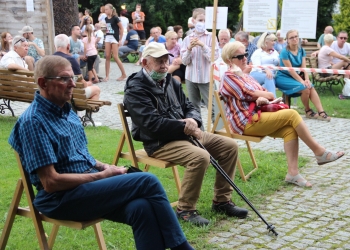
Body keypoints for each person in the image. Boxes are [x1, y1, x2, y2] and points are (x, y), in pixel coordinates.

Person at [8, 55, 194, 250]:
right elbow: (51, 183)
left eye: (74, 78)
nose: (73, 84)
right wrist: (101, 176)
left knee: (141, 209)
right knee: (147, 181)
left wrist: (104, 166)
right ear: (42, 83)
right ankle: (182, 248)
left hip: (84, 189)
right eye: (64, 79)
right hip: (60, 199)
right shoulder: (33, 121)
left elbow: (78, 155)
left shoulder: (66, 110)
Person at [124, 42, 248, 227]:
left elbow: (189, 106)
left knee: (229, 146)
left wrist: (194, 121)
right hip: (160, 142)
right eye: (159, 61)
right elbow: (151, 125)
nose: (165, 65)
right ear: (144, 63)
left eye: (166, 60)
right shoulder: (135, 89)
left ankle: (222, 201)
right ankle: (185, 210)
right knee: (200, 157)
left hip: (187, 134)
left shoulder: (170, 81)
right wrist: (184, 125)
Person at [220, 41, 345, 188]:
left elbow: (264, 92)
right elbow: (251, 93)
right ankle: (319, 152)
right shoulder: (229, 76)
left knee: (290, 130)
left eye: (245, 54)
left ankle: (293, 173)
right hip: (245, 122)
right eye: (240, 56)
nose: (244, 58)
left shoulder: (243, 75)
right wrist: (262, 95)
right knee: (291, 114)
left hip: (256, 115)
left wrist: (262, 97)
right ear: (229, 60)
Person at [275, 30, 331, 122]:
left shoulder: (301, 50)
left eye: (296, 36)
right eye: (291, 37)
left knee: (310, 86)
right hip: (283, 77)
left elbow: (304, 67)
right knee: (305, 88)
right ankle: (308, 110)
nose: (294, 39)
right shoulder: (284, 52)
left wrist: (307, 79)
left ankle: (321, 112)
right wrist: (302, 81)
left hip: (296, 76)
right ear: (287, 40)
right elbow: (290, 70)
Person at [181, 8, 218, 120]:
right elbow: (184, 61)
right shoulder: (187, 38)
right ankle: (199, 134)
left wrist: (203, 46)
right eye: (200, 20)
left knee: (212, 107)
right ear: (193, 20)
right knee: (193, 108)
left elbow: (214, 57)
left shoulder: (211, 37)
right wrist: (189, 49)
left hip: (206, 77)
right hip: (191, 77)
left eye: (204, 20)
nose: (202, 23)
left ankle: (217, 132)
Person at [54, 34, 100, 100]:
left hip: (54, 92)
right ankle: (87, 109)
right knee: (96, 89)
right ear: (68, 46)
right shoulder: (71, 60)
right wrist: (88, 83)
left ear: (55, 46)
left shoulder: (49, 60)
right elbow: (81, 83)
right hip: (70, 94)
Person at [250, 32, 279, 97]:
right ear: (266, 42)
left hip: (271, 76)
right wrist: (266, 70)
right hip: (257, 73)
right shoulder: (258, 52)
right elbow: (257, 66)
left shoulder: (275, 52)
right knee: (268, 77)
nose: (274, 43)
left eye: (274, 40)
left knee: (265, 87)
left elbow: (278, 64)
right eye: (272, 41)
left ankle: (265, 104)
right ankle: (274, 99)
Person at [104, 3, 127, 81]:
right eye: (105, 9)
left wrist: (120, 40)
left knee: (115, 56)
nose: (105, 11)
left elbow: (122, 29)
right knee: (107, 56)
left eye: (106, 9)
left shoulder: (115, 18)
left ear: (111, 9)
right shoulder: (106, 18)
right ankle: (107, 76)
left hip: (114, 38)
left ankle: (123, 74)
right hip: (108, 37)